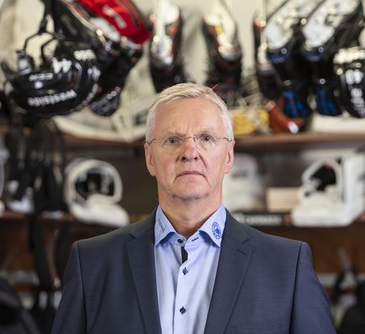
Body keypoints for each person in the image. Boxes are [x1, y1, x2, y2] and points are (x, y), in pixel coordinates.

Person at [51, 82, 336, 334]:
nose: (189, 152)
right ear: (150, 158)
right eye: (172, 140)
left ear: (228, 156)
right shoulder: (92, 263)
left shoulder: (287, 267)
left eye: (206, 138)